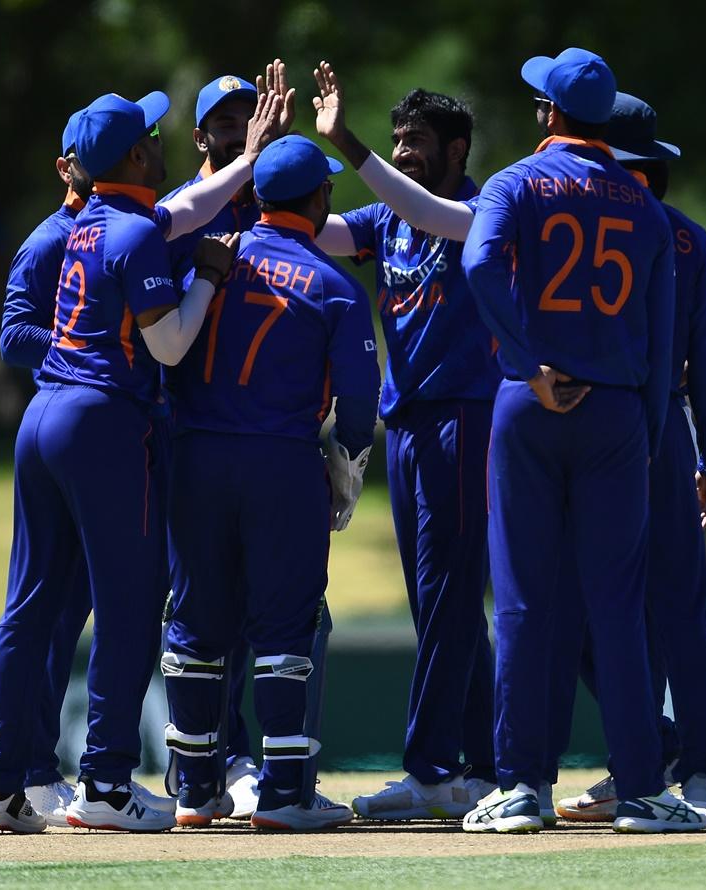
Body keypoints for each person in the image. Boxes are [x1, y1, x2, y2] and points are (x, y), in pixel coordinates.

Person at [0, 88, 280, 834]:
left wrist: (248, 158)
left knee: (29, 607)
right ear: (137, 155)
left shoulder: (83, 223)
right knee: (132, 605)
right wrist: (206, 276)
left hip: (42, 417)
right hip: (106, 423)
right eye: (149, 134)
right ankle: (105, 783)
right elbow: (170, 345)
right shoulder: (136, 233)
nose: (160, 140)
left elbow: (191, 206)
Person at [458, 48, 706, 834]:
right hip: (619, 414)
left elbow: (477, 265)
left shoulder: (513, 183)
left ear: (550, 115)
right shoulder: (644, 208)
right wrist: (650, 427)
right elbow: (666, 331)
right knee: (619, 604)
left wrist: (525, 360)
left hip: (529, 405)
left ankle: (521, 789)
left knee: (527, 604)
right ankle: (640, 787)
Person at [162, 134, 380, 831]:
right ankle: (284, 794)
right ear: (318, 199)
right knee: (287, 623)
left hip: (194, 457)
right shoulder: (335, 284)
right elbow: (358, 402)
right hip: (280, 465)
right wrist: (346, 478)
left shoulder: (208, 260)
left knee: (195, 621)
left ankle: (195, 791)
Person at [551, 94, 706, 822]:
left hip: (590, 425)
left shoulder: (573, 217)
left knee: (586, 604)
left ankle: (663, 760)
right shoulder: (691, 238)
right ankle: (675, 762)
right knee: (670, 609)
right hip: (662, 430)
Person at [307, 63, 500, 819]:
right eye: (396, 140)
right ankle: (485, 766)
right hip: (411, 425)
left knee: (451, 596)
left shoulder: (482, 209)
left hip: (466, 417)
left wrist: (346, 142)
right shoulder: (385, 220)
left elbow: (416, 201)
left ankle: (429, 772)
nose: (404, 151)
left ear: (457, 150)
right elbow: (316, 231)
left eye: (416, 140)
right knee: (438, 605)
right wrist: (255, 169)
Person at [157, 63, 296, 820]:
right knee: (199, 605)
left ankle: (245, 760)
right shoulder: (185, 207)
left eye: (251, 115)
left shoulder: (271, 205)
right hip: (190, 429)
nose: (242, 125)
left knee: (266, 606)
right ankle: (201, 762)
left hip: (266, 435)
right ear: (200, 132)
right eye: (227, 117)